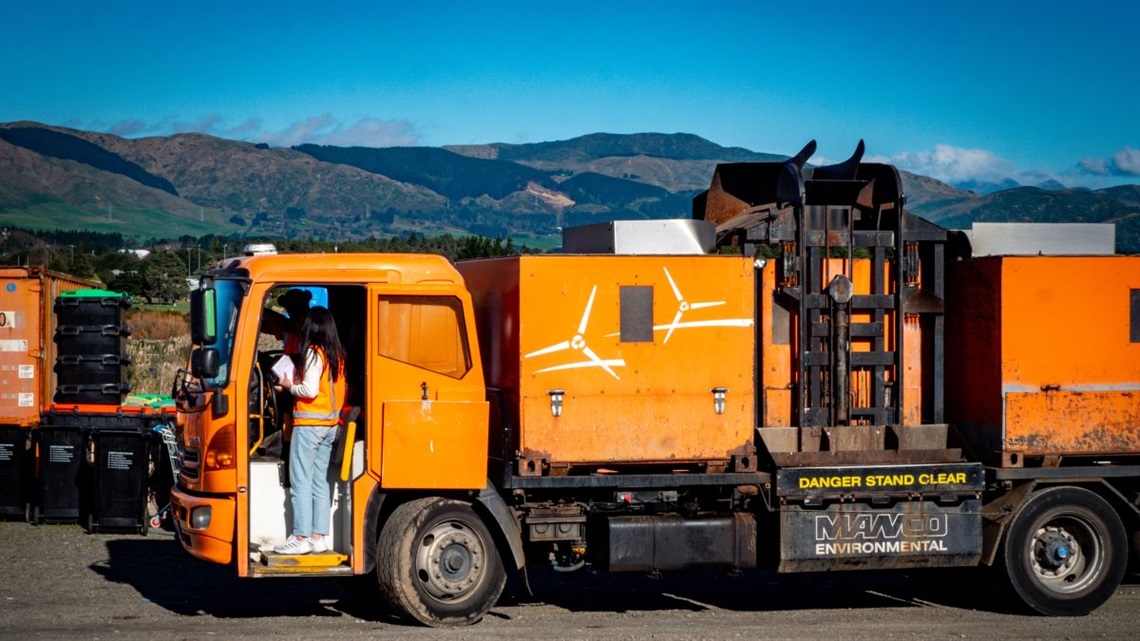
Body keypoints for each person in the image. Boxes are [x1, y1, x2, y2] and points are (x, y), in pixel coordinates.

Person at [272, 306, 345, 555]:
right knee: (319, 482)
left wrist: (290, 386)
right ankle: (318, 537)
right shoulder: (337, 355)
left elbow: (310, 391)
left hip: (309, 424)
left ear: (311, 327)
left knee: (301, 481)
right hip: (329, 425)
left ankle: (300, 537)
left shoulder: (314, 353)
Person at [261, 288, 311, 355]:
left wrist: (260, 309)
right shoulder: (288, 326)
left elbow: (284, 324)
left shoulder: (306, 324)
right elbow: (264, 326)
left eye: (287, 307)